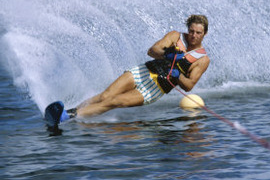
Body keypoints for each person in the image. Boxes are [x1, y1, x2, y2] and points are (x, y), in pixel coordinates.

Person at [52, 14, 210, 123]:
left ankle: (68, 117)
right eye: (191, 31)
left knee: (114, 101)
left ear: (204, 34)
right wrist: (166, 54)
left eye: (198, 33)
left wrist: (178, 75)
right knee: (106, 95)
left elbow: (189, 85)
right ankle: (67, 112)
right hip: (144, 72)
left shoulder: (202, 59)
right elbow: (152, 50)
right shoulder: (175, 36)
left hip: (155, 88)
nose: (193, 35)